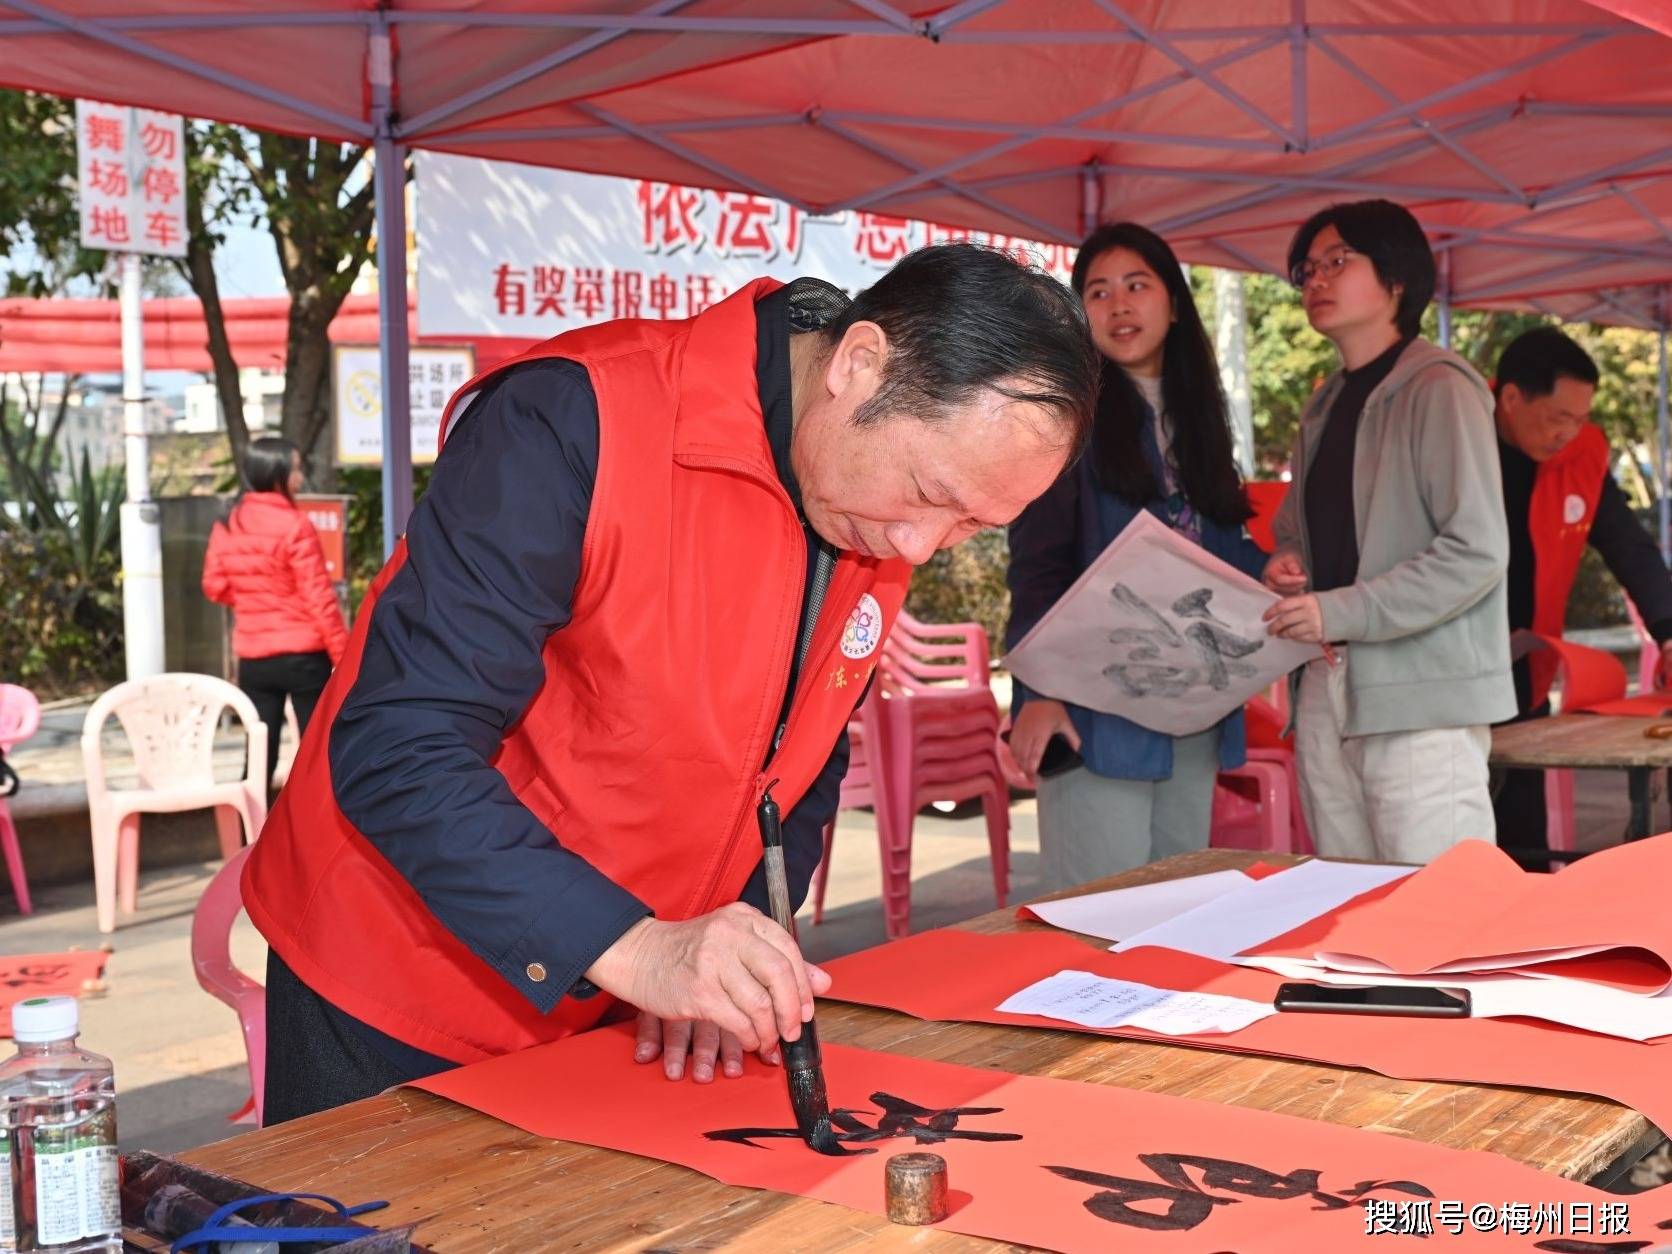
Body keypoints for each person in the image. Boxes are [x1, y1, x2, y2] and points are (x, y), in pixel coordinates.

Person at [241, 244, 1101, 1123]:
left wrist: (736, 938)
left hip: (626, 996)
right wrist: (634, 947)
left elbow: (799, 755)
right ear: (858, 363)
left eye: (971, 526)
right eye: (929, 492)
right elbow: (401, 740)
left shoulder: (869, 509)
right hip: (403, 975)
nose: (922, 547)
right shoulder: (575, 417)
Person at [1006, 223, 1268, 890]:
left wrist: (1273, 575)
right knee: (1101, 911)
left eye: (1136, 285)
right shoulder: (1064, 421)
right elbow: (1038, 566)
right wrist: (1036, 694)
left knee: (1177, 903)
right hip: (1094, 712)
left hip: (1191, 706)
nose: (1119, 304)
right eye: (1097, 291)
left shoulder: (1200, 421)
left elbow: (1219, 551)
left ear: (1174, 303)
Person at [1263, 199, 1515, 863]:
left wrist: (1336, 607)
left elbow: (1475, 550)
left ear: (1398, 279)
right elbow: (1299, 530)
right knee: (1349, 905)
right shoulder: (1323, 403)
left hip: (1419, 692)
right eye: (1306, 270)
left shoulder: (1440, 387)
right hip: (1328, 681)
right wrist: (1289, 560)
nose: (1315, 279)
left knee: (1440, 911)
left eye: (1337, 262)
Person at [1490, 326, 1672, 856]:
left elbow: (1630, 549)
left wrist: (1667, 631)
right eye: (1557, 418)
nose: (1569, 433)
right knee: (1464, 850)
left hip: (1525, 677)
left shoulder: (1580, 456)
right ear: (1510, 398)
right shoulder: (1456, 442)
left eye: (1581, 418)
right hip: (1449, 684)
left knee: (1524, 839)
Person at [201, 437, 348, 793]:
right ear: (277, 473)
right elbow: (319, 599)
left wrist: (256, 595)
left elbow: (214, 586)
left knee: (258, 755)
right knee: (318, 751)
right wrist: (344, 656)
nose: (300, 477)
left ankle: (250, 836)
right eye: (295, 468)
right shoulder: (295, 525)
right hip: (303, 657)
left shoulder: (228, 524)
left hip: (255, 659)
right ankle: (316, 829)